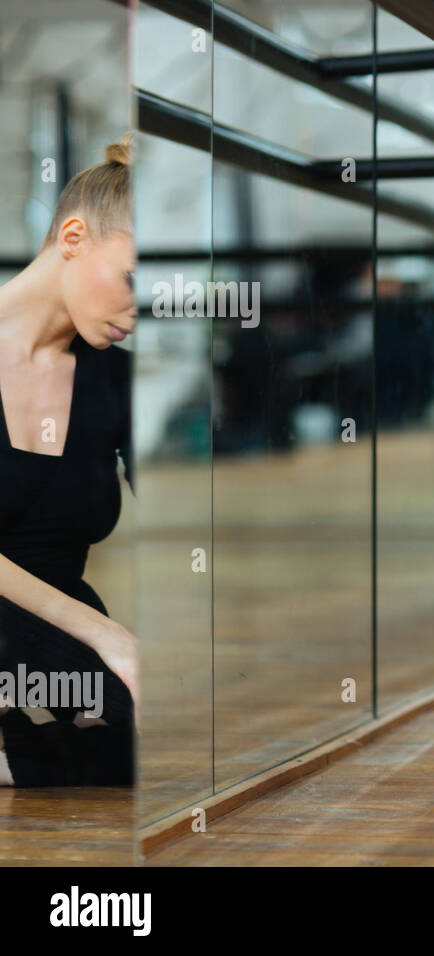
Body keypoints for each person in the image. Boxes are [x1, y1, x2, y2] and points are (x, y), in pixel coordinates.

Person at [0, 135, 138, 786]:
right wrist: (107, 637)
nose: (136, 315)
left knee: (127, 734)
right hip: (50, 621)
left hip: (46, 622)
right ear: (74, 236)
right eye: (132, 281)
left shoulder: (113, 374)